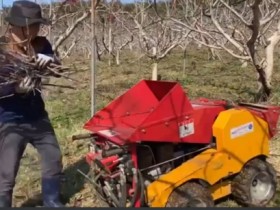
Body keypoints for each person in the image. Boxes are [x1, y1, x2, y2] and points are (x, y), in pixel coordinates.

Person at [0, 0, 64, 207]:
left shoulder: (41, 43)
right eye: (28, 28)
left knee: (53, 156)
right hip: (10, 118)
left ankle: (52, 200)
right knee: (7, 169)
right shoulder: (2, 50)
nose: (33, 32)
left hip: (37, 114)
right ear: (14, 26)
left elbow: (58, 68)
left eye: (36, 27)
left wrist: (51, 61)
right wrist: (15, 90)